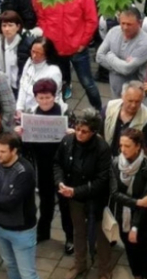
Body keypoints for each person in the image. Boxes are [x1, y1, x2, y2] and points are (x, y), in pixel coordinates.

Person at [26, 0, 101, 108]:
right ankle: (64, 113)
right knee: (59, 84)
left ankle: (99, 111)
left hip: (76, 48)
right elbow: (42, 15)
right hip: (55, 47)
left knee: (87, 83)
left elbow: (91, 20)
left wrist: (83, 42)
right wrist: (47, 37)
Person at [14, 79, 73, 250]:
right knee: (46, 200)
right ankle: (43, 231)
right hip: (42, 164)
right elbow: (27, 147)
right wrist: (21, 136)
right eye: (41, 98)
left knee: (65, 202)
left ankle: (70, 236)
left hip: (62, 166)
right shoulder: (31, 115)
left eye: (48, 97)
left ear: (54, 96)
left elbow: (78, 139)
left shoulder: (65, 113)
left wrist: (72, 135)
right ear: (36, 98)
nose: (45, 101)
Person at [54, 108, 112, 279]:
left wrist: (75, 191)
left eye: (84, 131)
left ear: (93, 132)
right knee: (78, 231)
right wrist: (60, 182)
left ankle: (104, 270)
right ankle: (79, 265)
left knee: (102, 235)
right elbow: (57, 163)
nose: (79, 133)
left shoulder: (102, 149)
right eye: (77, 129)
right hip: (75, 198)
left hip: (96, 199)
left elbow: (102, 180)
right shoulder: (67, 141)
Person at [0, 131, 38, 279]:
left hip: (21, 231)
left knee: (27, 274)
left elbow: (11, 203)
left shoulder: (24, 171)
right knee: (10, 265)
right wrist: (0, 198)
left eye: (3, 151)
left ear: (14, 151)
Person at [109, 128, 147, 279]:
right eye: (121, 145)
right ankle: (136, 275)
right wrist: (137, 202)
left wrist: (135, 226)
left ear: (138, 146)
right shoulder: (116, 163)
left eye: (127, 146)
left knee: (143, 249)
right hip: (122, 214)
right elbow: (114, 194)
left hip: (144, 217)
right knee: (130, 249)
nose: (123, 149)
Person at [96, 7, 147, 98]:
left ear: (139, 23)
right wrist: (120, 67)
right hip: (115, 89)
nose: (125, 27)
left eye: (129, 24)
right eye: (122, 23)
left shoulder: (145, 42)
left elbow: (126, 70)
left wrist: (110, 56)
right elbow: (99, 56)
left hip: (135, 94)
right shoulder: (113, 32)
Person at [0, 9, 39, 96]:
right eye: (4, 26)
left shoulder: (27, 44)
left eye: (10, 25)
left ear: (18, 27)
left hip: (21, 87)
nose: (7, 29)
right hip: (3, 86)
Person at [104, 81, 147, 154]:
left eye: (137, 102)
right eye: (130, 101)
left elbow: (146, 148)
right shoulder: (109, 107)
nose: (133, 105)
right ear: (122, 96)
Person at [15, 35, 62, 112]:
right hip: (26, 110)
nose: (34, 56)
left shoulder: (53, 72)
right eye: (33, 51)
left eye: (38, 53)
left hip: (42, 112)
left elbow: (51, 98)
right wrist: (19, 107)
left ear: (46, 54)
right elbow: (22, 85)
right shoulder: (29, 62)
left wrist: (31, 113)